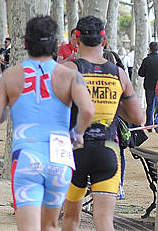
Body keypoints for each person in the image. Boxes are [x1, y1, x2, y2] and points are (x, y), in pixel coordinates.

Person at [0, 15, 94, 231]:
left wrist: (12, 107)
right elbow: (88, 110)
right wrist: (78, 133)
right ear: (55, 44)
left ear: (25, 43)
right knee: (51, 226)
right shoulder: (69, 75)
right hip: (59, 159)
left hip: (26, 159)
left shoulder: (10, 76)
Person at [60, 15, 144, 231]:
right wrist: (112, 104)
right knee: (104, 222)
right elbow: (138, 118)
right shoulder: (119, 74)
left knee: (70, 218)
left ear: (76, 40)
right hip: (108, 151)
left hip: (74, 152)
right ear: (104, 40)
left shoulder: (69, 70)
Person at [138, 41, 158, 127]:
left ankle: (149, 124)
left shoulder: (146, 60)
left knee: (150, 105)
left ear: (150, 49)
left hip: (149, 86)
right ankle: (157, 124)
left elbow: (141, 73)